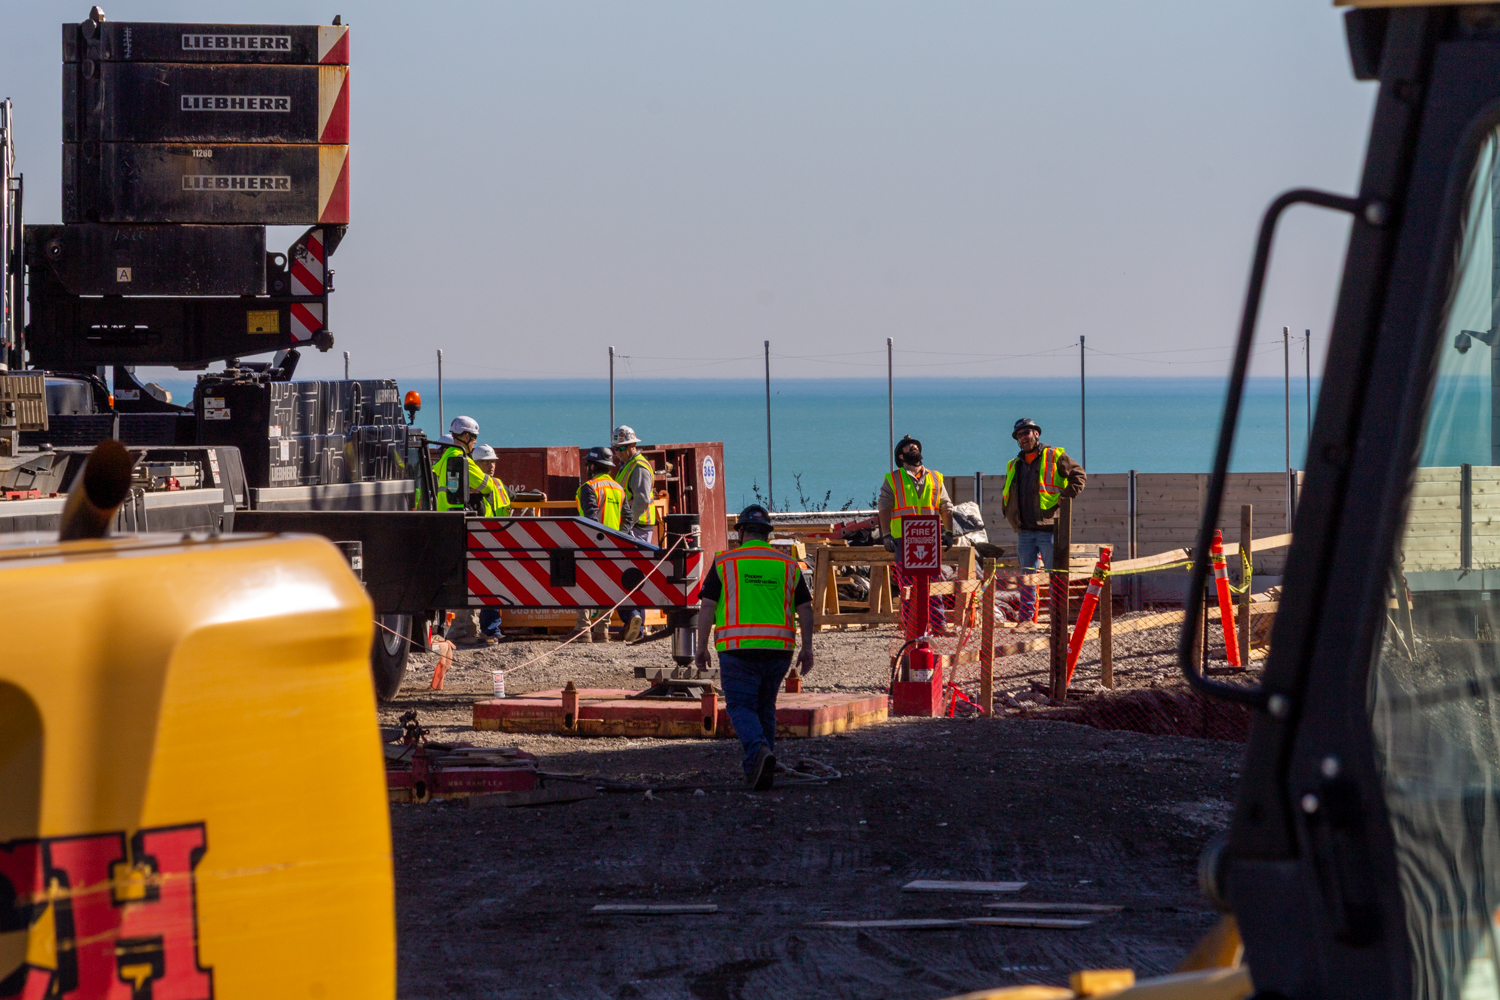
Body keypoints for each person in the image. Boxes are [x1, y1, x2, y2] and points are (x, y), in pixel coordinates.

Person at [694, 505, 814, 790]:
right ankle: (759, 770)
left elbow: (708, 606)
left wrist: (700, 647)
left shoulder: (725, 562)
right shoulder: (787, 564)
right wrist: (807, 648)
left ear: (742, 532)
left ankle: (759, 751)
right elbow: (805, 608)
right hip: (779, 650)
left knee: (740, 706)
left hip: (737, 648)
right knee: (765, 707)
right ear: (768, 535)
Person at [434, 417, 511, 645]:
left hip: (444, 525)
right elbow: (487, 484)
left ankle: (462, 630)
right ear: (465, 437)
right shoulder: (462, 461)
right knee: (470, 580)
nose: (475, 443)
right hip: (462, 526)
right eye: (474, 438)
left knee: (458, 580)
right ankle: (463, 631)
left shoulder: (442, 461)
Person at [1002, 417, 1086, 615]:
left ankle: (1058, 616)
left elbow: (1079, 476)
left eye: (1026, 433)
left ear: (1036, 434)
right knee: (1027, 576)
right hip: (1024, 530)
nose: (1023, 438)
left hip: (1048, 528)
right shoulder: (1014, 464)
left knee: (1054, 575)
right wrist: (1009, 513)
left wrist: (1063, 498)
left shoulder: (1054, 456)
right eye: (1019, 435)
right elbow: (1009, 493)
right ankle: (1026, 618)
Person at [878, 435, 954, 631]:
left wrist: (949, 532)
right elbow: (884, 508)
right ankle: (910, 624)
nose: (913, 447)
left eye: (915, 446)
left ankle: (938, 625)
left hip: (930, 538)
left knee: (933, 582)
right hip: (903, 539)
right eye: (908, 447)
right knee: (907, 585)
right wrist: (886, 535)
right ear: (901, 457)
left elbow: (945, 506)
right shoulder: (893, 479)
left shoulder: (935, 477)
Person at [573, 447, 630, 642]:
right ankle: (602, 630)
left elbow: (590, 517)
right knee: (608, 587)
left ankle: (583, 629)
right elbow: (628, 518)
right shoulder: (618, 488)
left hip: (593, 544)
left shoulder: (589, 487)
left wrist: (597, 540)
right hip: (614, 545)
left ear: (592, 465)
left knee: (584, 585)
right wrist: (618, 539)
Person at [611, 425, 656, 640]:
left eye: (621, 448)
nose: (617, 453)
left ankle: (633, 617)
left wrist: (627, 526)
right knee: (633, 576)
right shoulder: (627, 465)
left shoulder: (638, 467)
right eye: (616, 449)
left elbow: (641, 501)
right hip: (634, 527)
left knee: (631, 576)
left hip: (637, 528)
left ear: (632, 446)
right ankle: (634, 622)